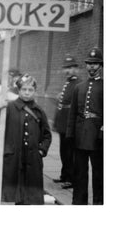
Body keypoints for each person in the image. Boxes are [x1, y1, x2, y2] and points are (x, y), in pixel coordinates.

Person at [0, 74, 52, 204]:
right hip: (15, 158)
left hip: (32, 160)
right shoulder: (9, 108)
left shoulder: (38, 111)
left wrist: (41, 151)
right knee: (15, 196)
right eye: (24, 90)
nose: (27, 93)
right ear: (19, 90)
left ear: (34, 91)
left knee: (30, 198)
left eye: (30, 90)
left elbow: (47, 135)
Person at [67, 47, 103, 205]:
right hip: (80, 135)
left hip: (97, 136)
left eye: (95, 64)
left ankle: (99, 202)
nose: (92, 67)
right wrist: (70, 134)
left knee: (99, 172)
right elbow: (72, 113)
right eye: (89, 64)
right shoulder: (79, 87)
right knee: (80, 172)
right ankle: (79, 202)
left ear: (100, 66)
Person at [52, 55, 81, 189]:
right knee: (63, 151)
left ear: (76, 69)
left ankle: (71, 178)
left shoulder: (77, 84)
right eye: (66, 68)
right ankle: (64, 175)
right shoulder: (68, 83)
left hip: (70, 125)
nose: (68, 70)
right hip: (63, 124)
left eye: (71, 67)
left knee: (70, 153)